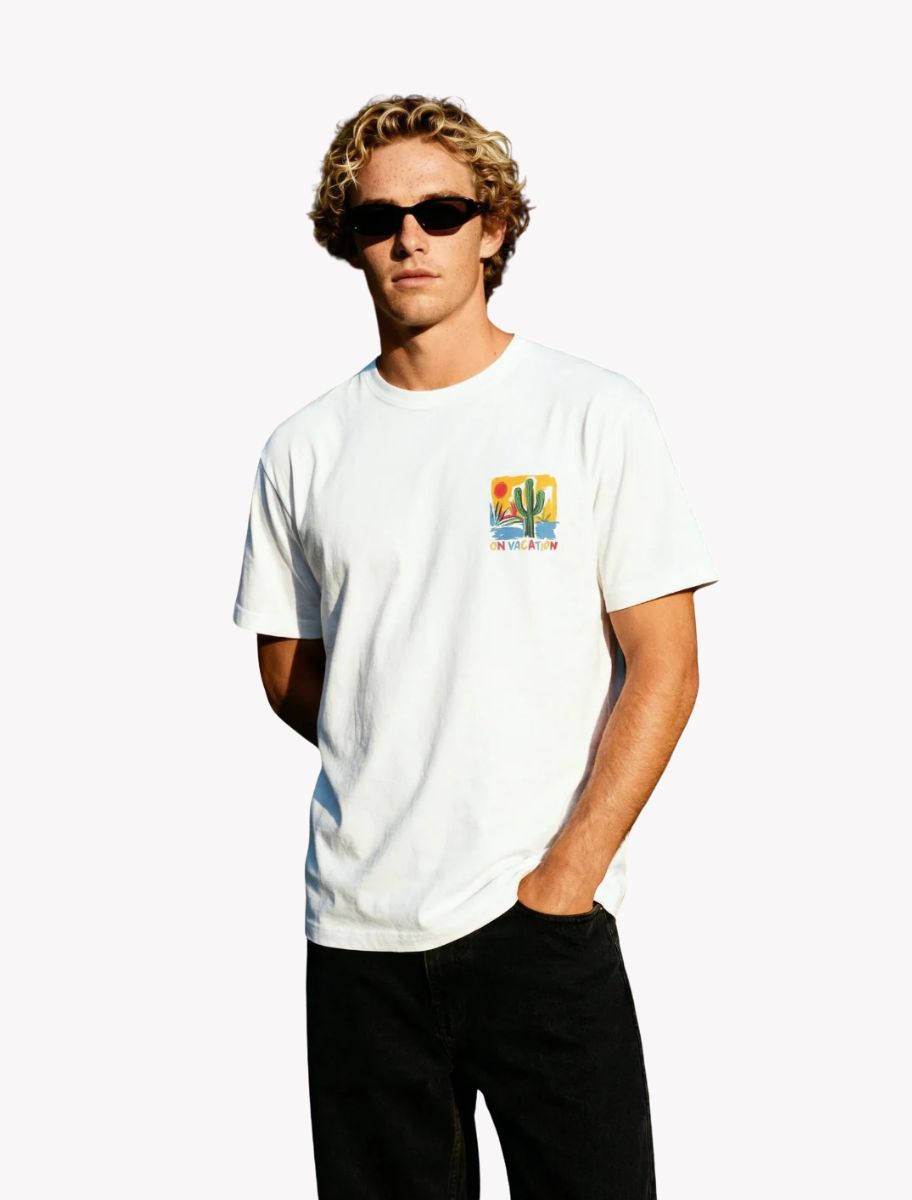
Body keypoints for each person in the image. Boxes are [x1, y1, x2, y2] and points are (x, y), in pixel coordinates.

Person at [232, 93, 719, 1200]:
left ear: (492, 228)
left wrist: (566, 880)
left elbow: (668, 666)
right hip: (358, 934)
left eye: (442, 212)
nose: (410, 238)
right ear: (347, 240)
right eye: (379, 219)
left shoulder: (590, 413)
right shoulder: (303, 449)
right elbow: (289, 672)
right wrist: (405, 735)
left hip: (538, 916)